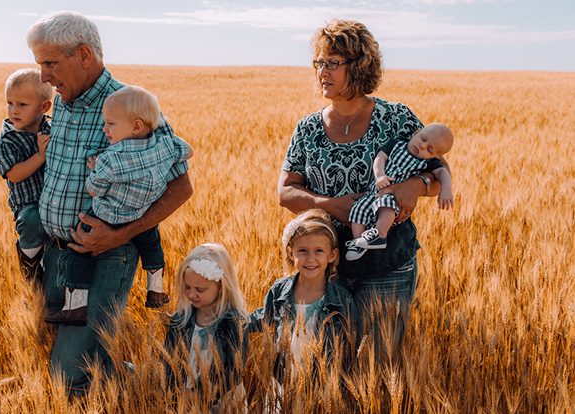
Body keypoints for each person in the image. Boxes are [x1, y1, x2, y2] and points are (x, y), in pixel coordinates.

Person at [26, 11, 193, 394]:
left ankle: (150, 386)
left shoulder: (129, 107)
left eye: (50, 63)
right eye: (40, 65)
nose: (44, 77)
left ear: (83, 54)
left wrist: (121, 234)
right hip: (57, 255)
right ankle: (147, 387)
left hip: (103, 258)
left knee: (68, 375)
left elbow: (181, 186)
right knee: (82, 359)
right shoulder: (63, 102)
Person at [277, 19, 451, 356]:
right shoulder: (308, 128)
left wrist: (416, 184)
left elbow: (439, 170)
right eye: (319, 63)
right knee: (324, 361)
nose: (322, 72)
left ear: (358, 68)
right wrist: (330, 205)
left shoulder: (396, 117)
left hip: (387, 262)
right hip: (324, 263)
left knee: (381, 361)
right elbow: (286, 192)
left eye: (333, 63)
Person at [44, 85, 194, 326]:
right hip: (139, 215)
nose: (104, 129)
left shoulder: (110, 159)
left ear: (136, 126)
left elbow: (95, 189)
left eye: (110, 124)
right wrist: (162, 156)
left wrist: (94, 170)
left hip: (107, 217)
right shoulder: (164, 146)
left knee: (78, 252)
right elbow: (188, 151)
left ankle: (75, 306)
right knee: (152, 244)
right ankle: (156, 289)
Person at [248, 209, 356, 408]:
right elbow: (264, 317)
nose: (310, 259)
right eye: (303, 250)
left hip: (322, 385)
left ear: (332, 255)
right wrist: (226, 321)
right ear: (291, 252)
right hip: (283, 379)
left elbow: (349, 345)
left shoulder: (342, 300)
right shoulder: (280, 290)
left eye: (319, 251)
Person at [346, 123, 454, 260]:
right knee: (358, 208)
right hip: (376, 190)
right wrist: (379, 175)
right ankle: (360, 242)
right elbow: (380, 158)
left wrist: (446, 189)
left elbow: (443, 173)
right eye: (423, 139)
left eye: (429, 149)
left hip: (394, 196)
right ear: (416, 132)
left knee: (386, 203)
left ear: (435, 157)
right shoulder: (395, 145)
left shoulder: (428, 163)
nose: (422, 146)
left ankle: (380, 234)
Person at [162, 243, 248, 412]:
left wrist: (201, 394)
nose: (191, 294)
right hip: (184, 394)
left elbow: (235, 367)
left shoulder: (234, 321)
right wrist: (175, 390)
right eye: (187, 287)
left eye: (200, 289)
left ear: (221, 287)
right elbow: (167, 356)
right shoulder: (182, 317)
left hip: (222, 397)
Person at [0, 68, 53, 282]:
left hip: (53, 198)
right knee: (31, 220)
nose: (13, 110)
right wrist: (40, 155)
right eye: (10, 103)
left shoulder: (51, 128)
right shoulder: (8, 139)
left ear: (44, 107)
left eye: (22, 104)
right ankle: (30, 269)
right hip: (27, 203)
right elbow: (14, 175)